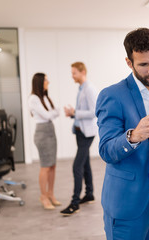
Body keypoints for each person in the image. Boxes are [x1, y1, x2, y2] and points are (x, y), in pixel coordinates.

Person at [95, 28, 149, 239]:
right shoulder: (112, 95)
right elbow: (106, 150)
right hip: (126, 206)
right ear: (129, 63)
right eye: (144, 64)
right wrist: (133, 136)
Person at [60, 62, 98, 216]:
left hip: (87, 133)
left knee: (77, 166)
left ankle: (74, 203)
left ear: (82, 72)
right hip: (81, 132)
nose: (72, 76)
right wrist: (73, 114)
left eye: (74, 73)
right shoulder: (81, 88)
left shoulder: (89, 89)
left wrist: (75, 112)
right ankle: (89, 194)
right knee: (85, 163)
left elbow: (94, 112)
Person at [28, 72, 61, 210]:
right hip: (42, 132)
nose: (48, 82)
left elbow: (56, 112)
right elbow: (49, 114)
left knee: (52, 165)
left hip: (50, 131)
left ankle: (50, 194)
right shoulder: (34, 99)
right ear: (40, 82)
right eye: (46, 80)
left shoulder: (45, 98)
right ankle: (43, 196)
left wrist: (52, 113)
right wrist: (53, 113)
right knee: (45, 166)